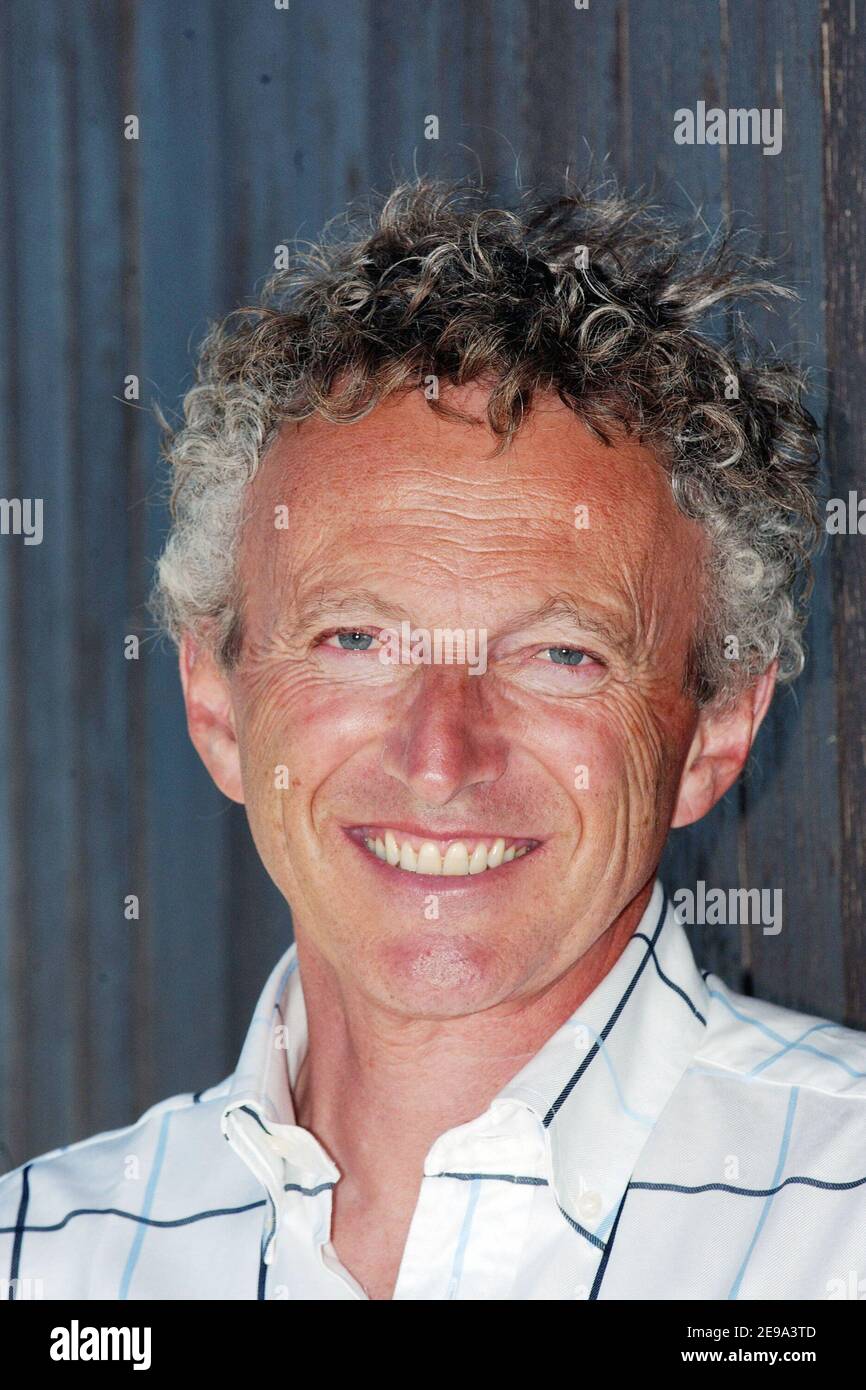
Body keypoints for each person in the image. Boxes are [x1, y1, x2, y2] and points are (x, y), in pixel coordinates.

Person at [3, 177, 864, 1301]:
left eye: (560, 654)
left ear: (713, 728)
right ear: (215, 699)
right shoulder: (39, 1264)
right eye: (357, 637)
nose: (441, 757)